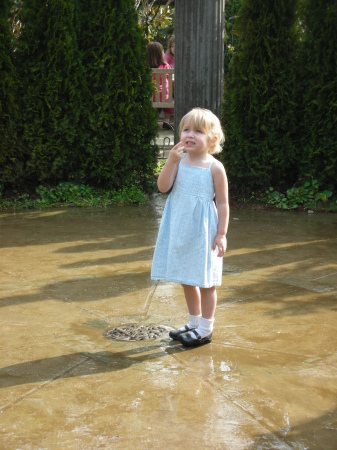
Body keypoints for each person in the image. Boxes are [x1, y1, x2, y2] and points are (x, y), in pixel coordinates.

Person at [151, 108, 229, 347]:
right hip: (181, 228)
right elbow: (163, 187)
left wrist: (222, 234)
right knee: (187, 278)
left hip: (204, 233)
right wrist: (170, 161)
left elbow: (223, 202)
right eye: (186, 129)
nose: (190, 134)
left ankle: (206, 329)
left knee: (205, 281)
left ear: (213, 139)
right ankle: (194, 322)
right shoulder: (179, 160)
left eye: (198, 131)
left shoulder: (215, 168)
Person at [146, 41, 174, 127]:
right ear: (160, 54)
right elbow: (171, 80)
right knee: (169, 97)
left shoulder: (145, 67)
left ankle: (150, 122)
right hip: (164, 98)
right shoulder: (166, 67)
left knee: (151, 97)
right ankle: (166, 121)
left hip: (147, 97)